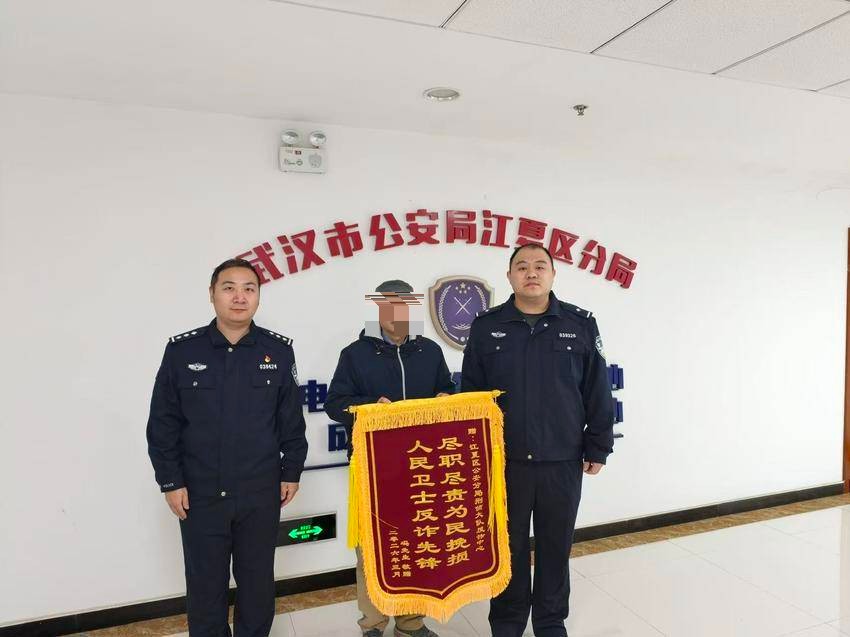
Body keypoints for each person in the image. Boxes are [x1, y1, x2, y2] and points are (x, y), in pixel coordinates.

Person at [146, 258, 308, 637]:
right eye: (229, 288)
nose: (239, 297)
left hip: (260, 492)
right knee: (205, 587)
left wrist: (292, 471)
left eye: (249, 289)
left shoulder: (277, 352)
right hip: (200, 493)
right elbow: (163, 423)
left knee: (257, 584)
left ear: (258, 297)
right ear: (212, 294)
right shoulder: (182, 352)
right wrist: (170, 481)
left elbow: (290, 420)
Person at [461, 244, 614, 637]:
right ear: (509, 276)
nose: (531, 273)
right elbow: (472, 395)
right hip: (505, 460)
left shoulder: (579, 324)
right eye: (522, 266)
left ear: (552, 274)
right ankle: (507, 622)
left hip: (562, 459)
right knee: (506, 547)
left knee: (555, 545)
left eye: (540, 266)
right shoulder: (486, 326)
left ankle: (550, 620)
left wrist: (598, 445)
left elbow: (597, 389)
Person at [325, 279, 455, 637]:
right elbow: (335, 403)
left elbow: (447, 388)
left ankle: (411, 623)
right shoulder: (355, 353)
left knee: (419, 542)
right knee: (373, 548)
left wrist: (445, 397)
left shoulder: (429, 351)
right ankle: (373, 624)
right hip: (373, 466)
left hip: (423, 465)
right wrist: (371, 406)